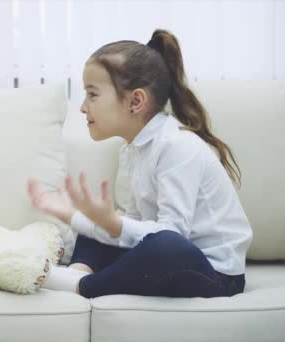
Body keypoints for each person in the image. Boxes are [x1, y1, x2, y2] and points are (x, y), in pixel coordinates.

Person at [27, 29, 253, 299]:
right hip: (167, 254)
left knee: (164, 245)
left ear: (135, 101)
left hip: (215, 274)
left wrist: (115, 224)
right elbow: (136, 225)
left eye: (92, 94)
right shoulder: (133, 149)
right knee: (101, 226)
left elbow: (174, 234)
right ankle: (78, 272)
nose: (83, 107)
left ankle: (83, 286)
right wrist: (77, 217)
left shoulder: (176, 146)